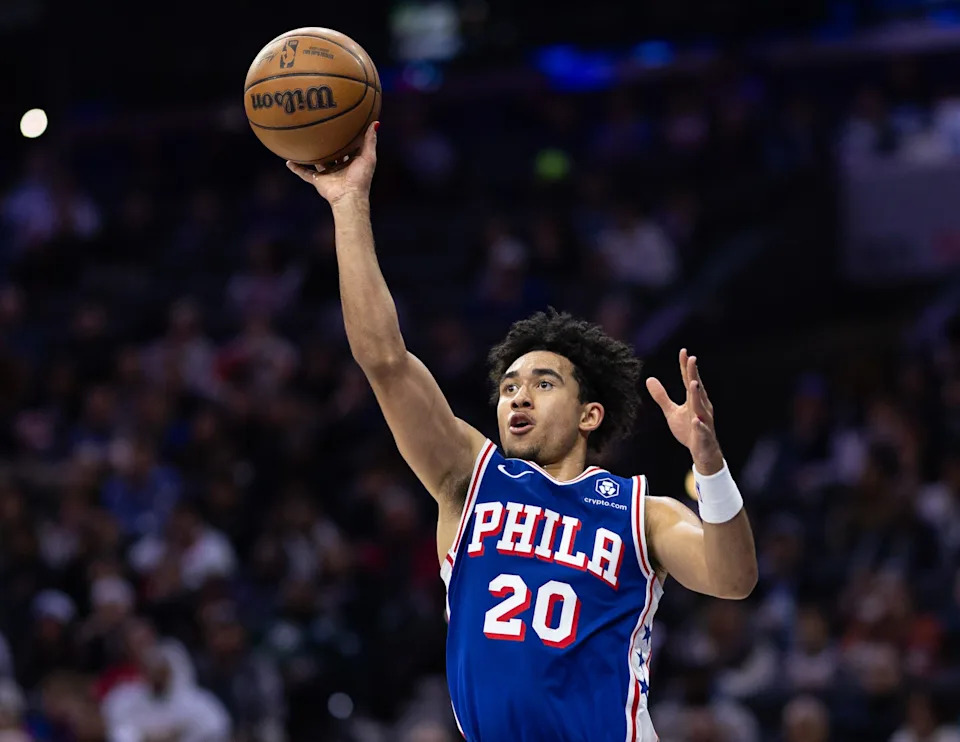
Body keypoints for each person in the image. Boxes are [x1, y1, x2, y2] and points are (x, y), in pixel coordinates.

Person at [287, 123, 758, 742]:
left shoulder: (643, 514)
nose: (517, 396)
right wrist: (348, 203)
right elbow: (385, 359)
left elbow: (734, 579)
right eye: (509, 386)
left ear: (590, 414)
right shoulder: (469, 479)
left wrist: (712, 464)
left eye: (542, 383)